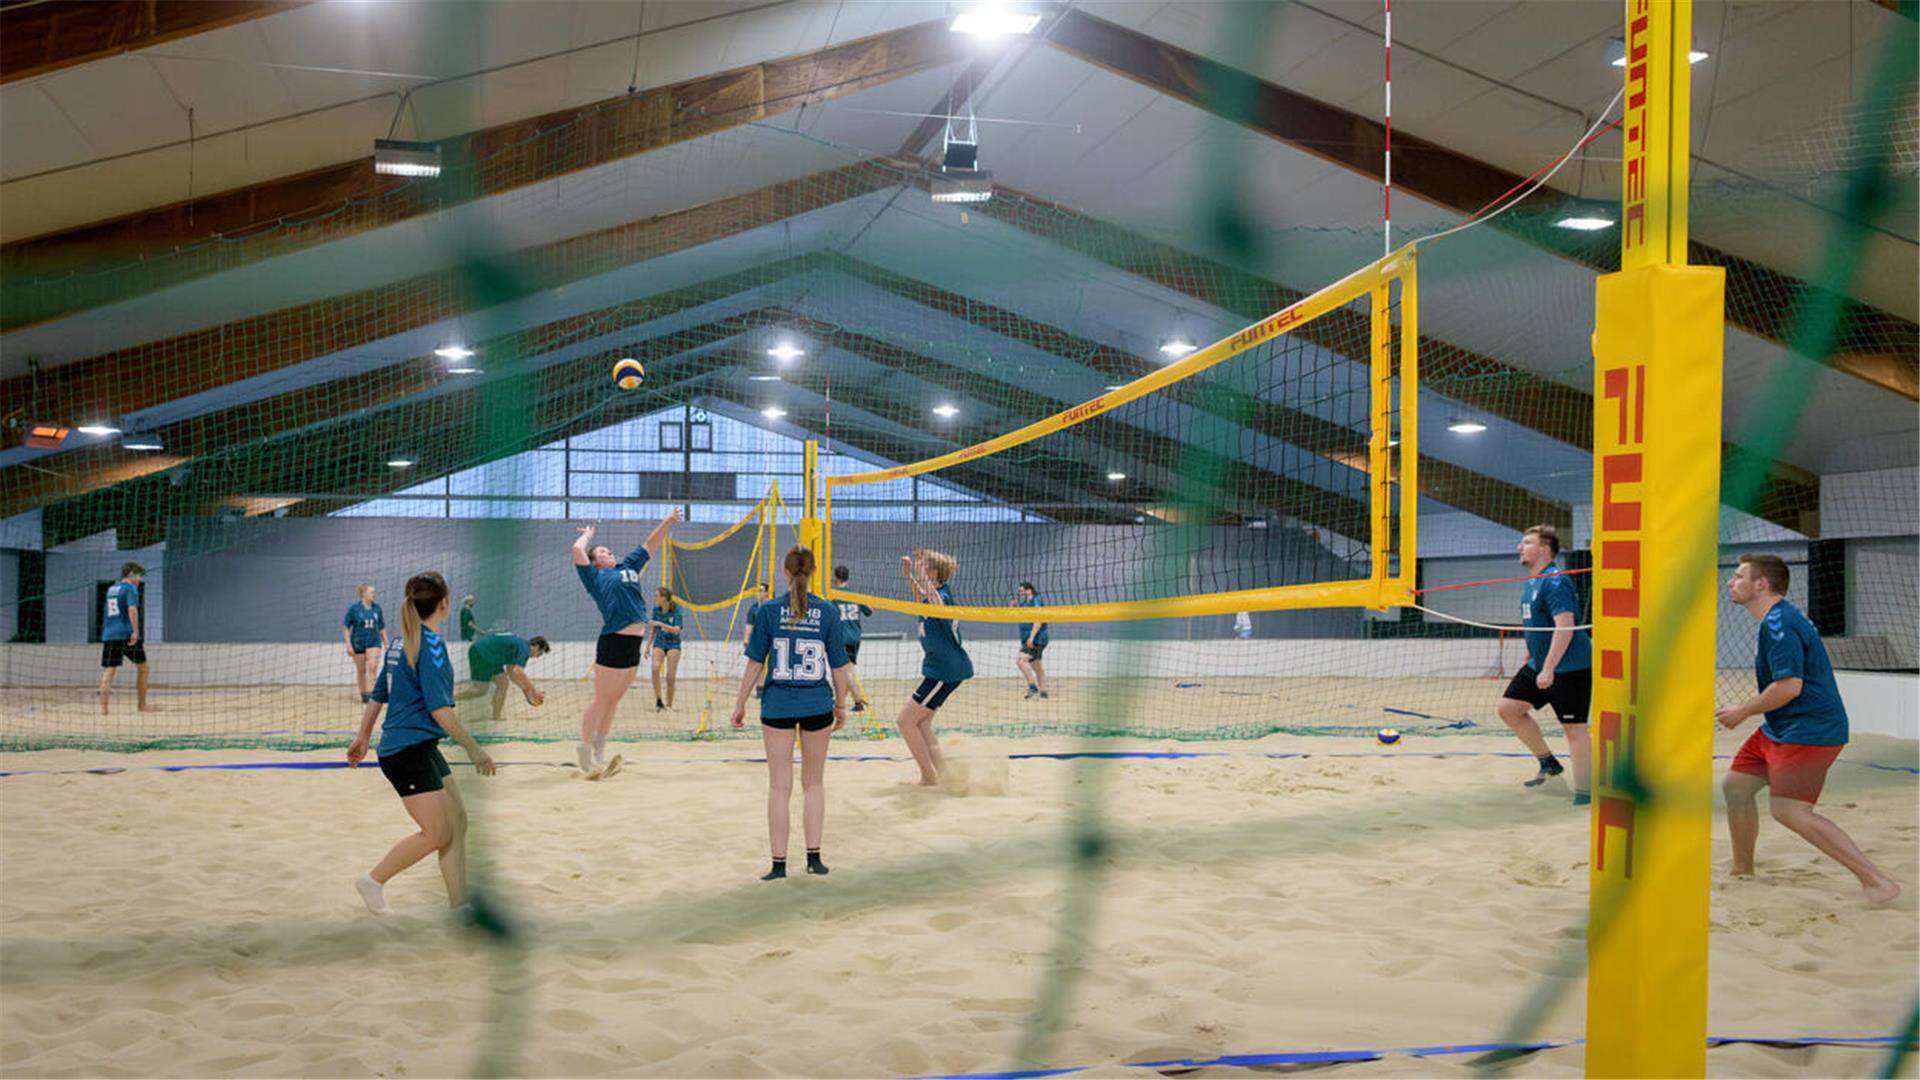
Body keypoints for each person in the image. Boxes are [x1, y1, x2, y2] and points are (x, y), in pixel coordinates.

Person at [1718, 554, 1899, 906]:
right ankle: (1743, 869)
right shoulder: (1774, 620)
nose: (1730, 581)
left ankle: (1877, 882)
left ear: (1761, 584)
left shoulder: (1779, 625)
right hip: (1780, 728)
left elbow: (1789, 687)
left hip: (1811, 729)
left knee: (1790, 811)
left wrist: (1741, 711)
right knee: (1737, 787)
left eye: (1739, 576)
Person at [346, 570, 496, 916]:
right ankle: (373, 880)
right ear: (444, 603)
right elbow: (440, 709)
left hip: (419, 746)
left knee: (458, 819)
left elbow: (378, 694)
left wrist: (364, 735)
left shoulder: (401, 641)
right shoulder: (428, 645)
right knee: (437, 833)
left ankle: (460, 906)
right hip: (405, 753)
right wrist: (475, 750)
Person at [729, 547, 852, 880]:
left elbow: (755, 663)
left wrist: (739, 703)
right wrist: (841, 705)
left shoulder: (767, 610)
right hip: (816, 704)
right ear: (812, 573)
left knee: (779, 787)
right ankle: (814, 860)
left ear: (785, 572)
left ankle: (778, 865)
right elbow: (840, 667)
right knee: (813, 784)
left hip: (778, 705)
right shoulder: (827, 612)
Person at [572, 512, 682, 776]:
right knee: (601, 700)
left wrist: (667, 520)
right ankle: (585, 752)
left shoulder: (629, 566)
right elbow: (577, 549)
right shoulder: (594, 577)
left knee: (613, 702)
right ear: (595, 561)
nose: (609, 553)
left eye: (609, 551)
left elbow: (651, 543)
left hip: (634, 643)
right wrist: (588, 535)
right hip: (613, 641)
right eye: (603, 552)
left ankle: (599, 751)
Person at [1496, 524, 1592, 803]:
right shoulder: (1532, 582)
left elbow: (1565, 626)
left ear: (1544, 549)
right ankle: (1548, 763)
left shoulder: (1556, 580)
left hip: (1570, 666)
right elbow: (1539, 625)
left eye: (1527, 542)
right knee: (1509, 708)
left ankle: (1585, 793)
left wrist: (1549, 668)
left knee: (1574, 729)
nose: (1519, 547)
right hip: (1540, 662)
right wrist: (1533, 656)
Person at [896, 548, 972, 786]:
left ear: (933, 572)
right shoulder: (933, 594)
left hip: (945, 669)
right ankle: (943, 773)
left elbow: (936, 603)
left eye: (925, 566)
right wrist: (910, 576)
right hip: (943, 668)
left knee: (905, 721)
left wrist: (921, 574)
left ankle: (928, 777)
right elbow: (923, 600)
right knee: (922, 722)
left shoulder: (943, 596)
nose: (921, 568)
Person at [456, 632, 549, 723]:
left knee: (503, 683)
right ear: (536, 646)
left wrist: (524, 688)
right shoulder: (525, 648)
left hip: (492, 655)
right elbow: (519, 671)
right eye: (539, 653)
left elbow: (511, 673)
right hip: (482, 652)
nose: (537, 657)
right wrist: (533, 690)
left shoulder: (520, 644)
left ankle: (496, 717)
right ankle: (450, 700)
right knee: (480, 690)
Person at [98, 562, 153, 715]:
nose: (139, 579)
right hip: (127, 635)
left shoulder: (111, 589)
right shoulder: (131, 589)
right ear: (130, 574)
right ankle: (142, 705)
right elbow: (132, 609)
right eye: (138, 575)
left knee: (108, 671)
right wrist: (135, 631)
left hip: (110, 634)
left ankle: (104, 710)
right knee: (143, 668)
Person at [832, 565, 873, 712]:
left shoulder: (833, 596)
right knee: (846, 670)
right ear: (848, 577)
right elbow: (870, 611)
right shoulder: (855, 595)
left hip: (841, 637)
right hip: (855, 637)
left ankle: (858, 701)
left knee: (845, 671)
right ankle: (839, 700)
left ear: (835, 577)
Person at [342, 583, 388, 702]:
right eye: (372, 592)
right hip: (358, 643)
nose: (374, 594)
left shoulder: (377, 608)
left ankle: (370, 694)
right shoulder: (354, 609)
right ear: (364, 594)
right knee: (361, 670)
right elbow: (346, 628)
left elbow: (381, 627)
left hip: (374, 642)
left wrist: (386, 643)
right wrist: (348, 645)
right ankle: (364, 695)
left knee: (372, 667)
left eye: (374, 592)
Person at [1014, 581, 1050, 700]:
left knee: (1021, 660)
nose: (1020, 593)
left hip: (1037, 638)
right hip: (1028, 639)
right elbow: (1023, 617)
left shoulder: (1036, 600)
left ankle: (1033, 687)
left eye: (1022, 591)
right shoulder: (1025, 604)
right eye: (1019, 591)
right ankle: (1044, 694)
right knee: (1036, 666)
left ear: (1029, 590)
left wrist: (1032, 637)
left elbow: (1038, 621)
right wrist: (1015, 608)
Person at [649, 587, 683, 710]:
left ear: (663, 598)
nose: (655, 598)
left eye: (656, 595)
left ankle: (669, 704)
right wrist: (648, 646)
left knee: (670, 677)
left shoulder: (677, 610)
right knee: (655, 668)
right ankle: (659, 700)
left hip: (673, 644)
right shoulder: (656, 610)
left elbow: (677, 630)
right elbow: (653, 627)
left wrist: (661, 624)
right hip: (659, 642)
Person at [744, 583, 773, 700]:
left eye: (761, 591)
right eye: (757, 591)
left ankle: (771, 688)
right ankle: (760, 690)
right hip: (759, 640)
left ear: (766, 593)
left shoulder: (773, 606)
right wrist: (746, 638)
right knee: (758, 664)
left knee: (772, 664)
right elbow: (749, 624)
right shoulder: (754, 608)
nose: (758, 593)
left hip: (773, 640)